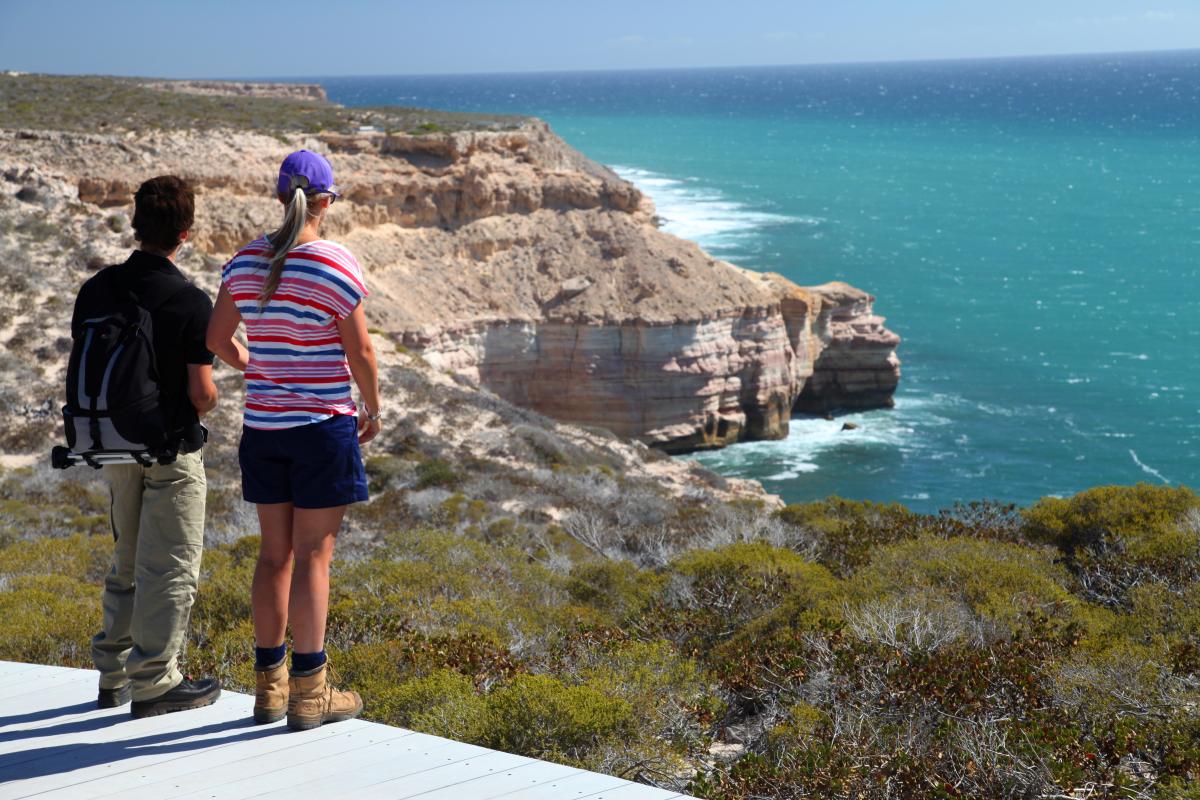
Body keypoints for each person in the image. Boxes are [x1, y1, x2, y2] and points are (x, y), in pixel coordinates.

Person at [206, 150, 381, 730]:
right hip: (321, 429)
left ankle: (268, 689)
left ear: (280, 198)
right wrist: (373, 407)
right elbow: (360, 351)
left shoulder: (244, 260)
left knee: (273, 556)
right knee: (314, 559)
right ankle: (311, 693)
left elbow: (218, 338)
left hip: (263, 428)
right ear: (326, 202)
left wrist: (260, 368)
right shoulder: (333, 263)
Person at [77, 175, 222, 717]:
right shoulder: (189, 300)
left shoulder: (96, 289)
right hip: (169, 449)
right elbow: (200, 395)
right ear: (184, 232)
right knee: (170, 566)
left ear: (136, 223)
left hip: (112, 442)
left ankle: (112, 676)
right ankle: (156, 681)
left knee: (126, 559)